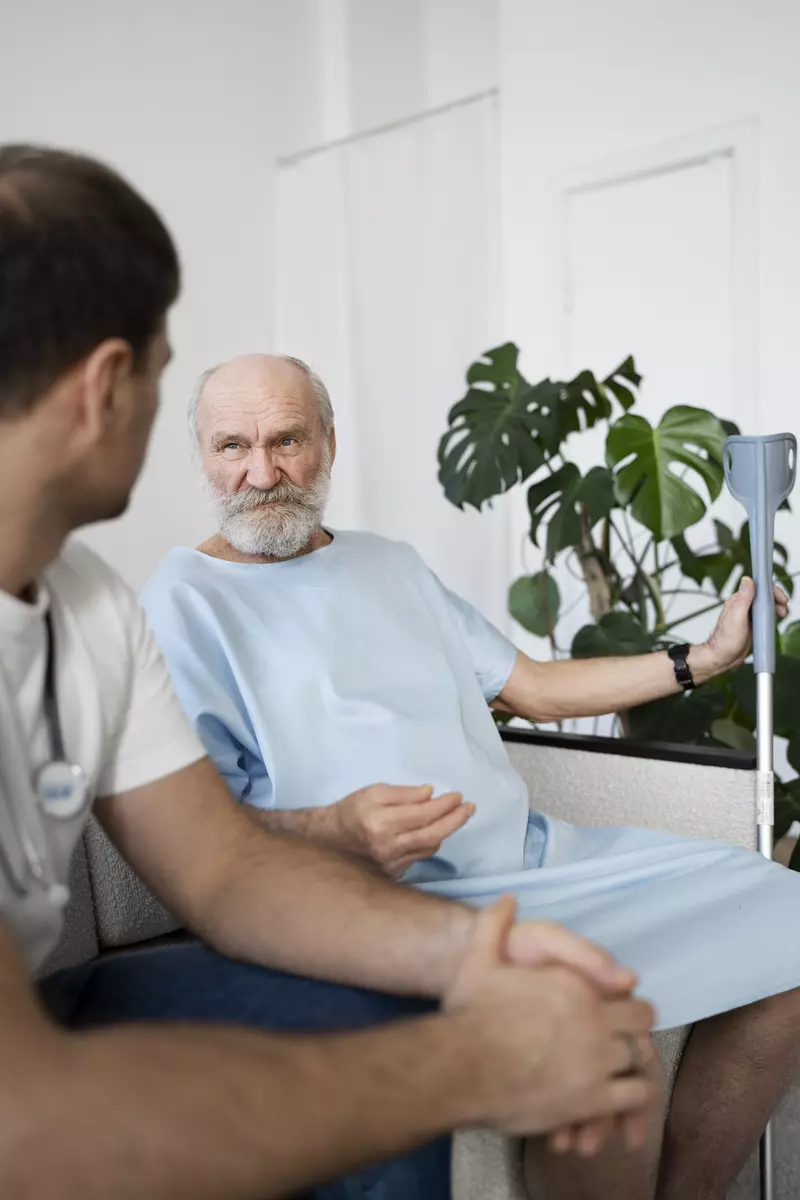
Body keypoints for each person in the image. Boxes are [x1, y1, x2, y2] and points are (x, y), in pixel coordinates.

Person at [0, 145, 660, 1200]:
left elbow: (221, 872)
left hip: (49, 1002)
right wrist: (463, 1063)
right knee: (390, 1058)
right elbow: (24, 1126)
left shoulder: (88, 610)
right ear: (108, 388)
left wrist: (468, 956)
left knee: (383, 1002)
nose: (253, 469)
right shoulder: (169, 597)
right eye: (173, 380)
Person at [143, 347, 800, 1200]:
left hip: (540, 860)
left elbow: (531, 686)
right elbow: (197, 825)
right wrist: (334, 831)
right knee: (609, 1045)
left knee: (787, 916)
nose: (261, 472)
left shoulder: (389, 563)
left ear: (330, 444)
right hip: (397, 902)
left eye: (287, 441)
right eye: (232, 446)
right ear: (201, 456)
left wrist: (703, 659)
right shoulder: (183, 599)